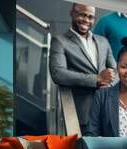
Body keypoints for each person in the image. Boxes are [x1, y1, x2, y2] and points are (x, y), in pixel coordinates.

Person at [49, 3, 117, 133]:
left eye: (90, 17)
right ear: (72, 13)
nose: (86, 20)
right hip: (81, 111)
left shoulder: (103, 41)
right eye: (82, 15)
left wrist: (109, 83)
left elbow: (114, 69)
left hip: (108, 107)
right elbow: (58, 73)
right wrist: (96, 79)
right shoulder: (60, 41)